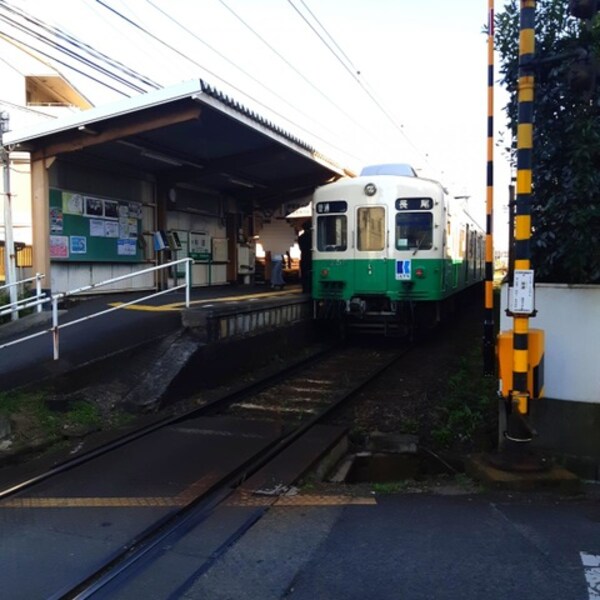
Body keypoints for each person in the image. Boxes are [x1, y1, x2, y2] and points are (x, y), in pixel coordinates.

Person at [298, 220, 312, 294]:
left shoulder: (301, 237)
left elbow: (301, 248)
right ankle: (310, 288)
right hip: (312, 257)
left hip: (304, 257)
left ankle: (305, 289)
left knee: (304, 274)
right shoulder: (313, 237)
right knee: (311, 274)